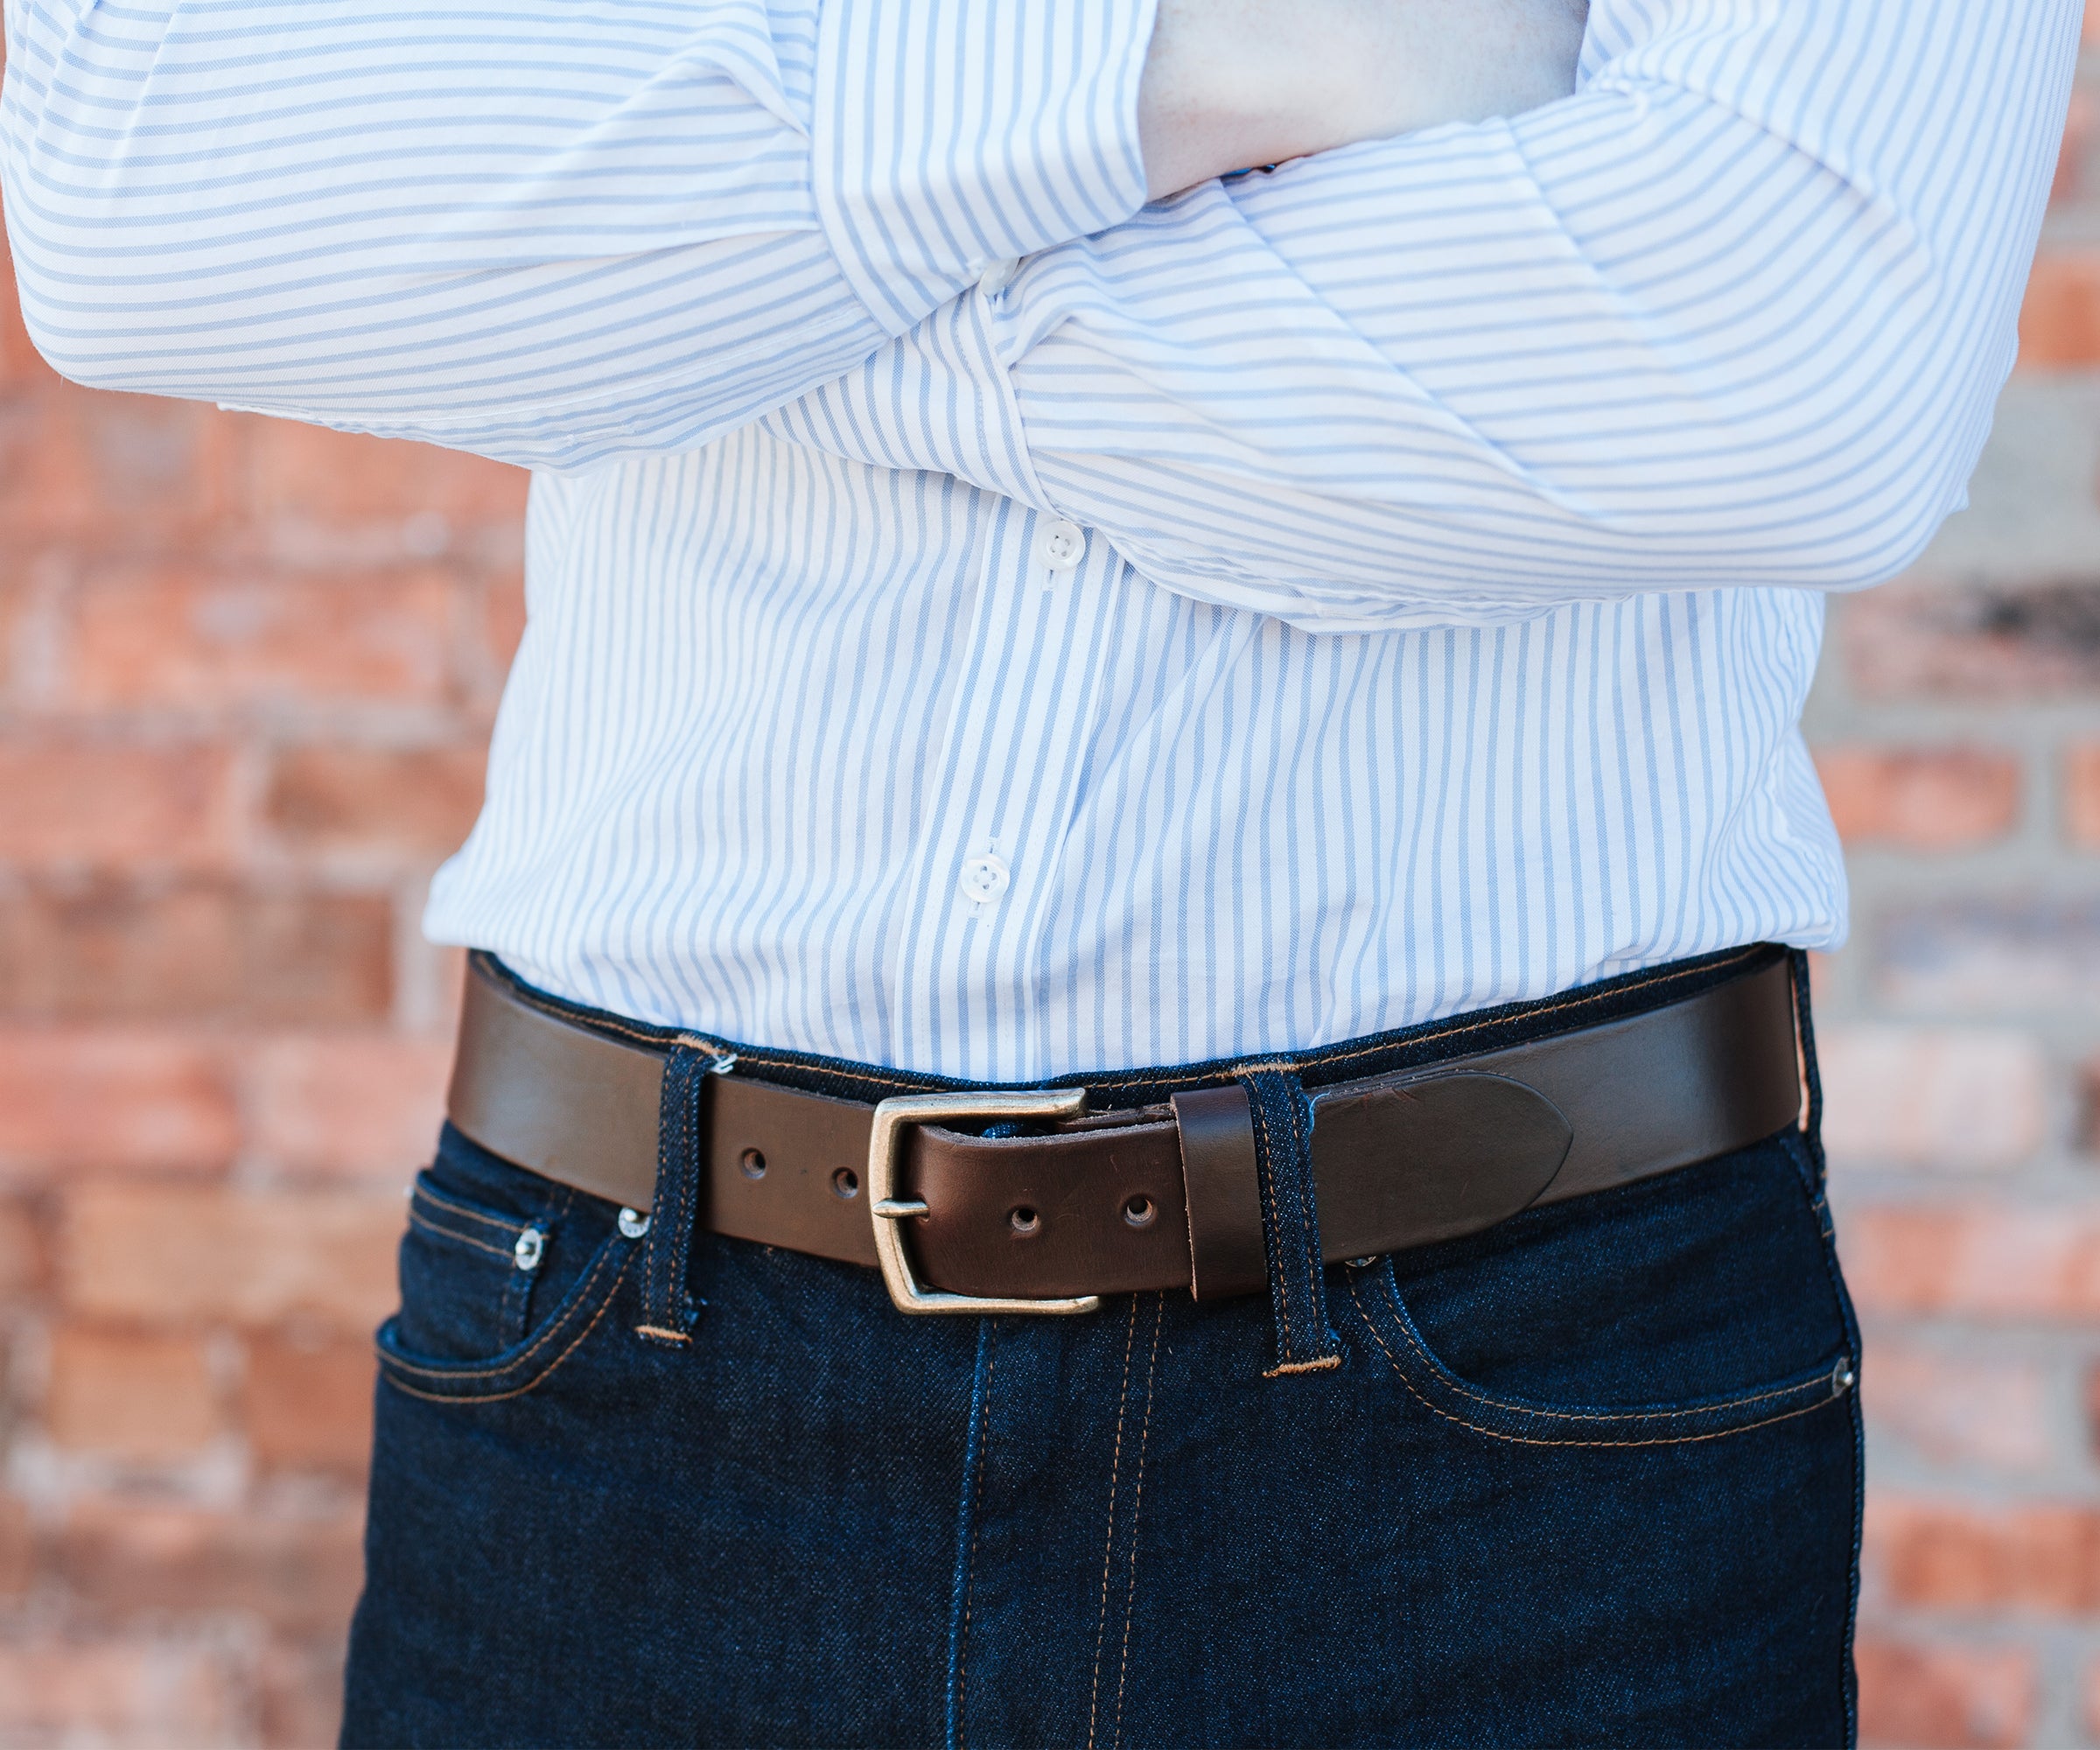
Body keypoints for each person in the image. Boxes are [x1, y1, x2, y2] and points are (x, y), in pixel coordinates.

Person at [2, 0, 2081, 1742]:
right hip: (626, 1352)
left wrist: (753, 278)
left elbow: (1788, 359)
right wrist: (1204, 67)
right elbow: (145, 175)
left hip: (1509, 1407)